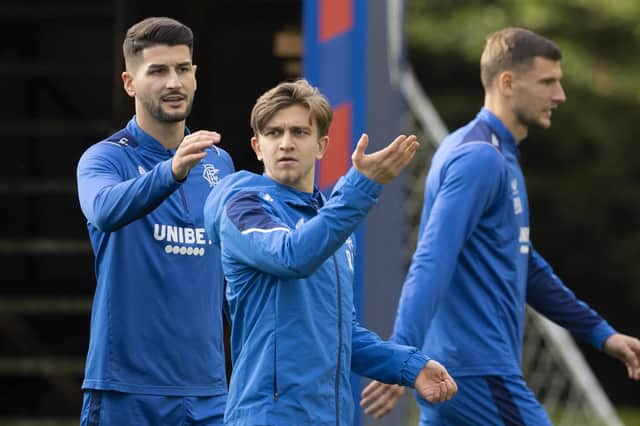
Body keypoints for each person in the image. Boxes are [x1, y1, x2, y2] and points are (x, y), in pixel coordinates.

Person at [360, 27, 640, 425]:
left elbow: (523, 262)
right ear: (507, 82)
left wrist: (601, 333)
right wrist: (401, 356)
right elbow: (431, 259)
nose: (559, 96)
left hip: (455, 372)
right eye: (547, 82)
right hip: (477, 371)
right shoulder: (480, 159)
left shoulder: (489, 153)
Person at [203, 79, 458, 425]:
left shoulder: (332, 221)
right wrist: (362, 185)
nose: (286, 144)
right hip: (267, 416)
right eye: (274, 134)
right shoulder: (242, 203)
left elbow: (340, 332)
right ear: (257, 146)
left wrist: (411, 367)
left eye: (299, 132)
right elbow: (292, 255)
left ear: (322, 145)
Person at [76, 17, 234, 425]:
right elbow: (105, 210)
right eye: (158, 71)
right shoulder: (105, 158)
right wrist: (171, 173)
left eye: (183, 69)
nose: (173, 82)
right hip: (126, 391)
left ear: (195, 76)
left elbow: (235, 273)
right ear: (129, 82)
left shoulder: (219, 162)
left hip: (208, 392)